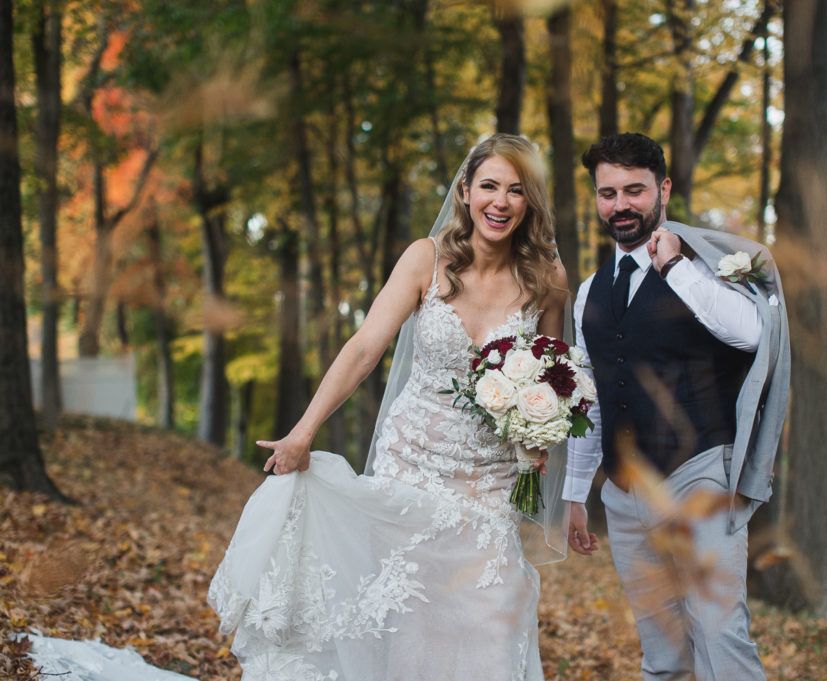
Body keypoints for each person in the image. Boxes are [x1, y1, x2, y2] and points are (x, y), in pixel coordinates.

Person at [208, 133, 570, 681]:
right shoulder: (426, 260)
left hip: (488, 483)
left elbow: (553, 375)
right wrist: (304, 431)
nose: (500, 201)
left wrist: (537, 436)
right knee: (407, 618)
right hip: (412, 464)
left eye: (516, 191)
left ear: (529, 202)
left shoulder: (547, 280)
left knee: (492, 615)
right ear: (466, 191)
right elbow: (364, 348)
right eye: (489, 185)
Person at [564, 132, 790, 681]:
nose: (620, 205)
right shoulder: (590, 292)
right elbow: (590, 397)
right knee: (662, 653)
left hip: (699, 479)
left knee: (720, 636)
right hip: (624, 494)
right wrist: (575, 492)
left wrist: (676, 269)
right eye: (608, 193)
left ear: (663, 189)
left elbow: (752, 334)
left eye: (634, 190)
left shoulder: (708, 266)